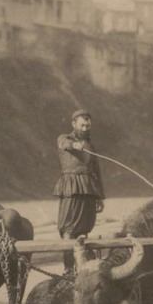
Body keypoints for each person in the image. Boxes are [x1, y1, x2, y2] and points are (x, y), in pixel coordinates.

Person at [54, 110, 105, 273]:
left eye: (88, 125)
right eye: (82, 125)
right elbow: (63, 144)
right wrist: (75, 145)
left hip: (89, 191)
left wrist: (100, 197)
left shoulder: (91, 146)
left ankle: (83, 270)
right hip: (71, 189)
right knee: (67, 230)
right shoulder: (64, 138)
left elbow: (97, 172)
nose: (85, 128)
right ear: (73, 124)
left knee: (84, 231)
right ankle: (68, 269)